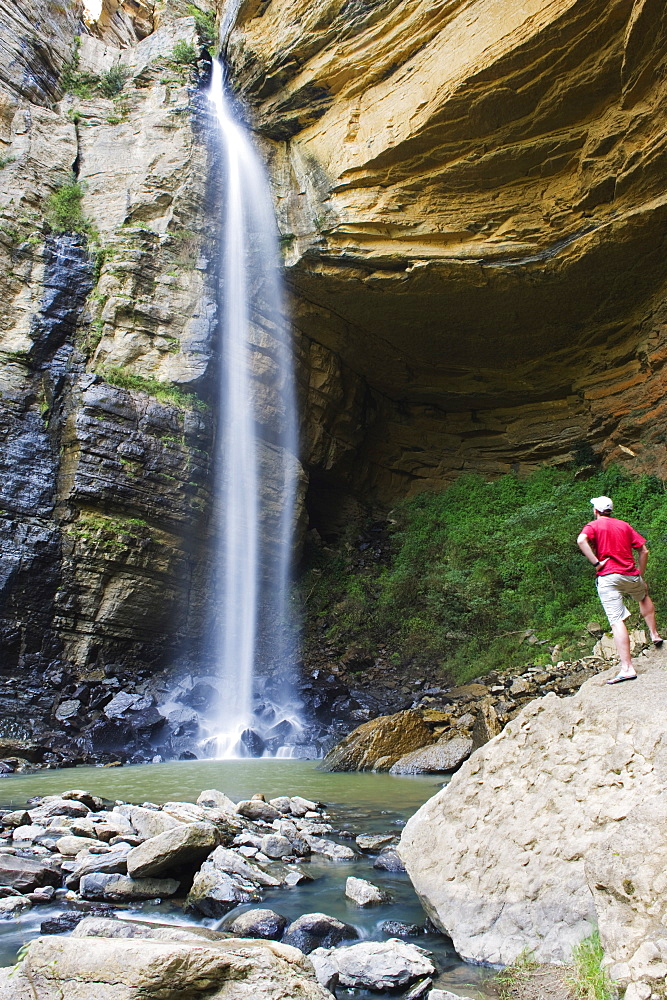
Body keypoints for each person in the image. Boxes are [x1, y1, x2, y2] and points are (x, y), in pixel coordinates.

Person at [577, 495, 662, 684]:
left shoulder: (593, 526)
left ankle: (627, 668)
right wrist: (640, 573)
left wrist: (596, 563)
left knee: (616, 621)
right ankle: (654, 634)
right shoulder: (624, 525)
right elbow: (644, 551)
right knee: (643, 596)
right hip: (630, 574)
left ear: (596, 510)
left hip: (608, 577)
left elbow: (581, 540)